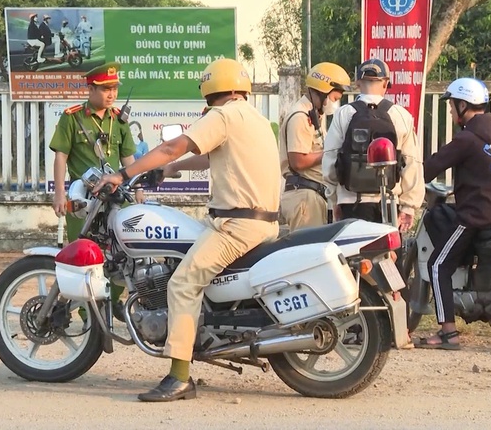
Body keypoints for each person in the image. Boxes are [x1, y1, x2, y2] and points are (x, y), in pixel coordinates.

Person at [91, 58, 280, 402]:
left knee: (181, 283)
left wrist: (124, 174)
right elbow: (207, 156)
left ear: (210, 91)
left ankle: (179, 377)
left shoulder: (221, 116)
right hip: (260, 222)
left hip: (236, 226)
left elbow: (170, 146)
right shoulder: (254, 118)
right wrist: (171, 170)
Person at [414, 77, 491, 350]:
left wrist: (407, 176)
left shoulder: (467, 138)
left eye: (452, 105)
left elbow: (431, 167)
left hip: (478, 216)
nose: (450, 111)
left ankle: (448, 333)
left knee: (438, 265)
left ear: (463, 105)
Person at [49, 62, 143, 318]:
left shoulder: (119, 122)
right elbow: (61, 157)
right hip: (84, 203)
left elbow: (129, 160)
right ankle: (88, 314)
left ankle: (110, 304)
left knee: (120, 257)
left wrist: (138, 190)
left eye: (114, 88)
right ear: (90, 89)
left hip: (114, 202)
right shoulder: (73, 117)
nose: (111, 94)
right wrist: (59, 193)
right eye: (105, 89)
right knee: (83, 257)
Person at [322, 58, 424, 233]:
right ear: (385, 83)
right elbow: (412, 164)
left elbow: (330, 162)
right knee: (388, 257)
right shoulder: (401, 115)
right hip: (389, 205)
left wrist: (335, 199)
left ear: (358, 83)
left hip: (352, 204)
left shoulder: (344, 114)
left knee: (353, 257)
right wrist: (409, 207)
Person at [279, 62, 350, 231]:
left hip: (311, 195)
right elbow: (297, 161)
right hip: (304, 196)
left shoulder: (314, 115)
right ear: (323, 90)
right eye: (334, 98)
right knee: (308, 254)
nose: (334, 103)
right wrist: (331, 153)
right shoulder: (300, 117)